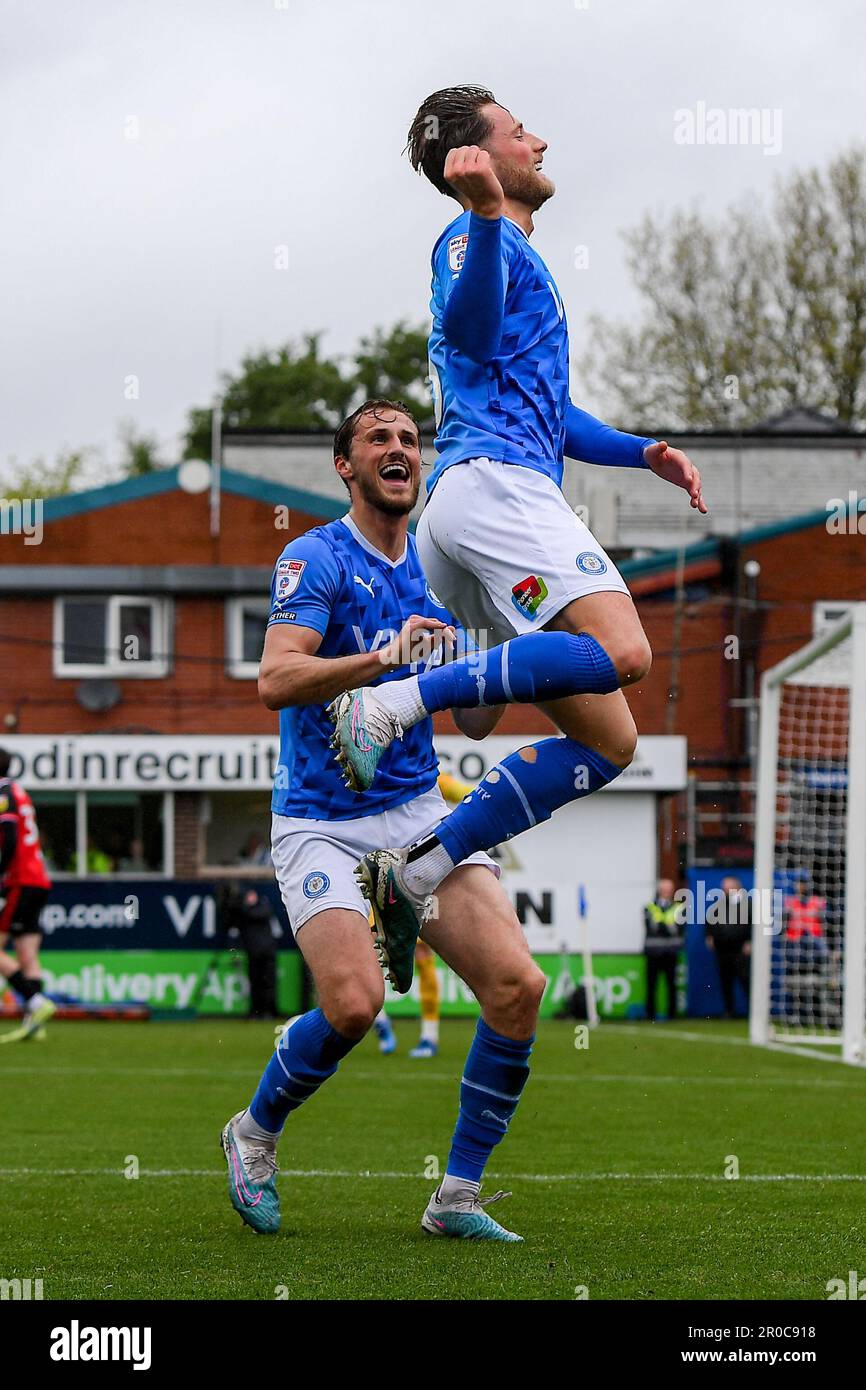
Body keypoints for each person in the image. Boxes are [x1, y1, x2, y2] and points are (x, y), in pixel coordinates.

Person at [329, 86, 705, 975]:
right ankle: (390, 700)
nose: (540, 138)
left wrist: (639, 450)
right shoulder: (472, 238)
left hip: (467, 505)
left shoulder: (506, 249)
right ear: (479, 160)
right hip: (498, 491)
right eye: (518, 129)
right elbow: (468, 323)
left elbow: (552, 411)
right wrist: (489, 216)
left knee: (597, 739)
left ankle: (421, 864)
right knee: (627, 653)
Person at [219, 399, 545, 1241]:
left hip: (414, 814)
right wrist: (384, 657)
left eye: (409, 439)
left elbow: (472, 722)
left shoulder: (444, 577)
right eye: (379, 439)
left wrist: (512, 654)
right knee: (356, 1004)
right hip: (320, 820)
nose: (399, 449)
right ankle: (253, 1135)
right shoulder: (315, 556)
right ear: (347, 466)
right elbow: (276, 680)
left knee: (517, 988)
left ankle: (456, 1199)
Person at [372, 771, 475, 1059]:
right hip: (382, 880)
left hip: (424, 881)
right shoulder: (375, 780)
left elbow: (470, 794)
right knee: (369, 953)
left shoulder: (431, 778)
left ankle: (429, 1036)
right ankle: (379, 1022)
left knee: (423, 959)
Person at [0, 748, 57, 1043]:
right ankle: (34, 1024)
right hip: (38, 879)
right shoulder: (18, 790)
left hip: (20, 879)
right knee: (27, 953)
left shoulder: (2, 791)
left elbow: (8, 837)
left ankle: (35, 1002)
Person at [218, 881, 279, 1020]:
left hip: (267, 951)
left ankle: (269, 1011)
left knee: (268, 982)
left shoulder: (262, 906)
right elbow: (230, 922)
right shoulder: (241, 910)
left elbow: (260, 914)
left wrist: (245, 905)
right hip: (253, 951)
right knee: (255, 982)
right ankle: (256, 1011)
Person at [705, 876, 752, 1019]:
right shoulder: (718, 905)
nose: (724, 889)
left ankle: (753, 1012)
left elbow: (755, 924)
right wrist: (709, 936)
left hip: (740, 948)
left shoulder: (748, 904)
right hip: (723, 948)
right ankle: (729, 1011)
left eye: (727, 886)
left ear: (737, 887)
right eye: (724, 887)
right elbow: (710, 922)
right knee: (725, 981)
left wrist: (750, 941)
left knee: (745, 980)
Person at [644, 877, 684, 1022]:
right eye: (664, 889)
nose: (667, 892)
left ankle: (672, 1014)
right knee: (651, 984)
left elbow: (679, 930)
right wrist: (667, 924)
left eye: (669, 889)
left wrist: (663, 924)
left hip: (670, 952)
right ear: (659, 890)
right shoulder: (649, 907)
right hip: (653, 952)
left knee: (671, 984)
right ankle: (650, 1014)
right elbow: (652, 928)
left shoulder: (679, 908)